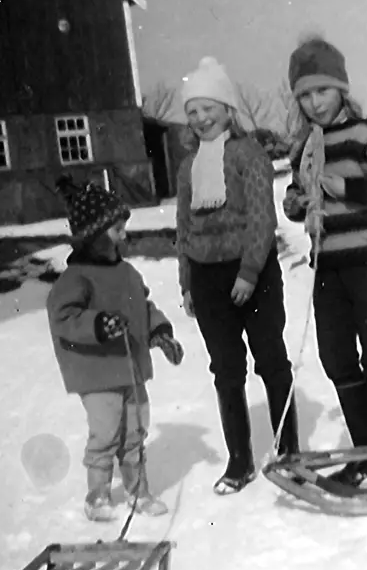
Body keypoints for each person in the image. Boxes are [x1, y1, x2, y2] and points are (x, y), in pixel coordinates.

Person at [281, 35, 367, 491]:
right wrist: (300, 201)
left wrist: (347, 188)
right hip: (329, 267)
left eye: (321, 91)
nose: (314, 103)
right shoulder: (305, 148)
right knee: (336, 357)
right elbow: (292, 201)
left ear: (341, 88)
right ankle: (366, 456)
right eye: (304, 94)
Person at [175, 56, 299, 495]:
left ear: (228, 109)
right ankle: (239, 460)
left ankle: (290, 452)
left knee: (270, 360)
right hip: (208, 279)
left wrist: (248, 272)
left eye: (208, 107)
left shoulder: (249, 154)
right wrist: (187, 282)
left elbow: (263, 219)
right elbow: (184, 227)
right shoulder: (188, 166)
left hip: (253, 273)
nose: (200, 118)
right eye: (192, 111)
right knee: (226, 371)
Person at [47, 177, 185, 522]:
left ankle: (140, 493)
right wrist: (99, 324)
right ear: (93, 236)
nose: (124, 235)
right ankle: (97, 498)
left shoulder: (128, 273)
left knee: (135, 432)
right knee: (106, 434)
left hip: (131, 367)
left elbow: (144, 306)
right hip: (97, 372)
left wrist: (159, 332)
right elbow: (64, 318)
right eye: (116, 229)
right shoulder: (76, 278)